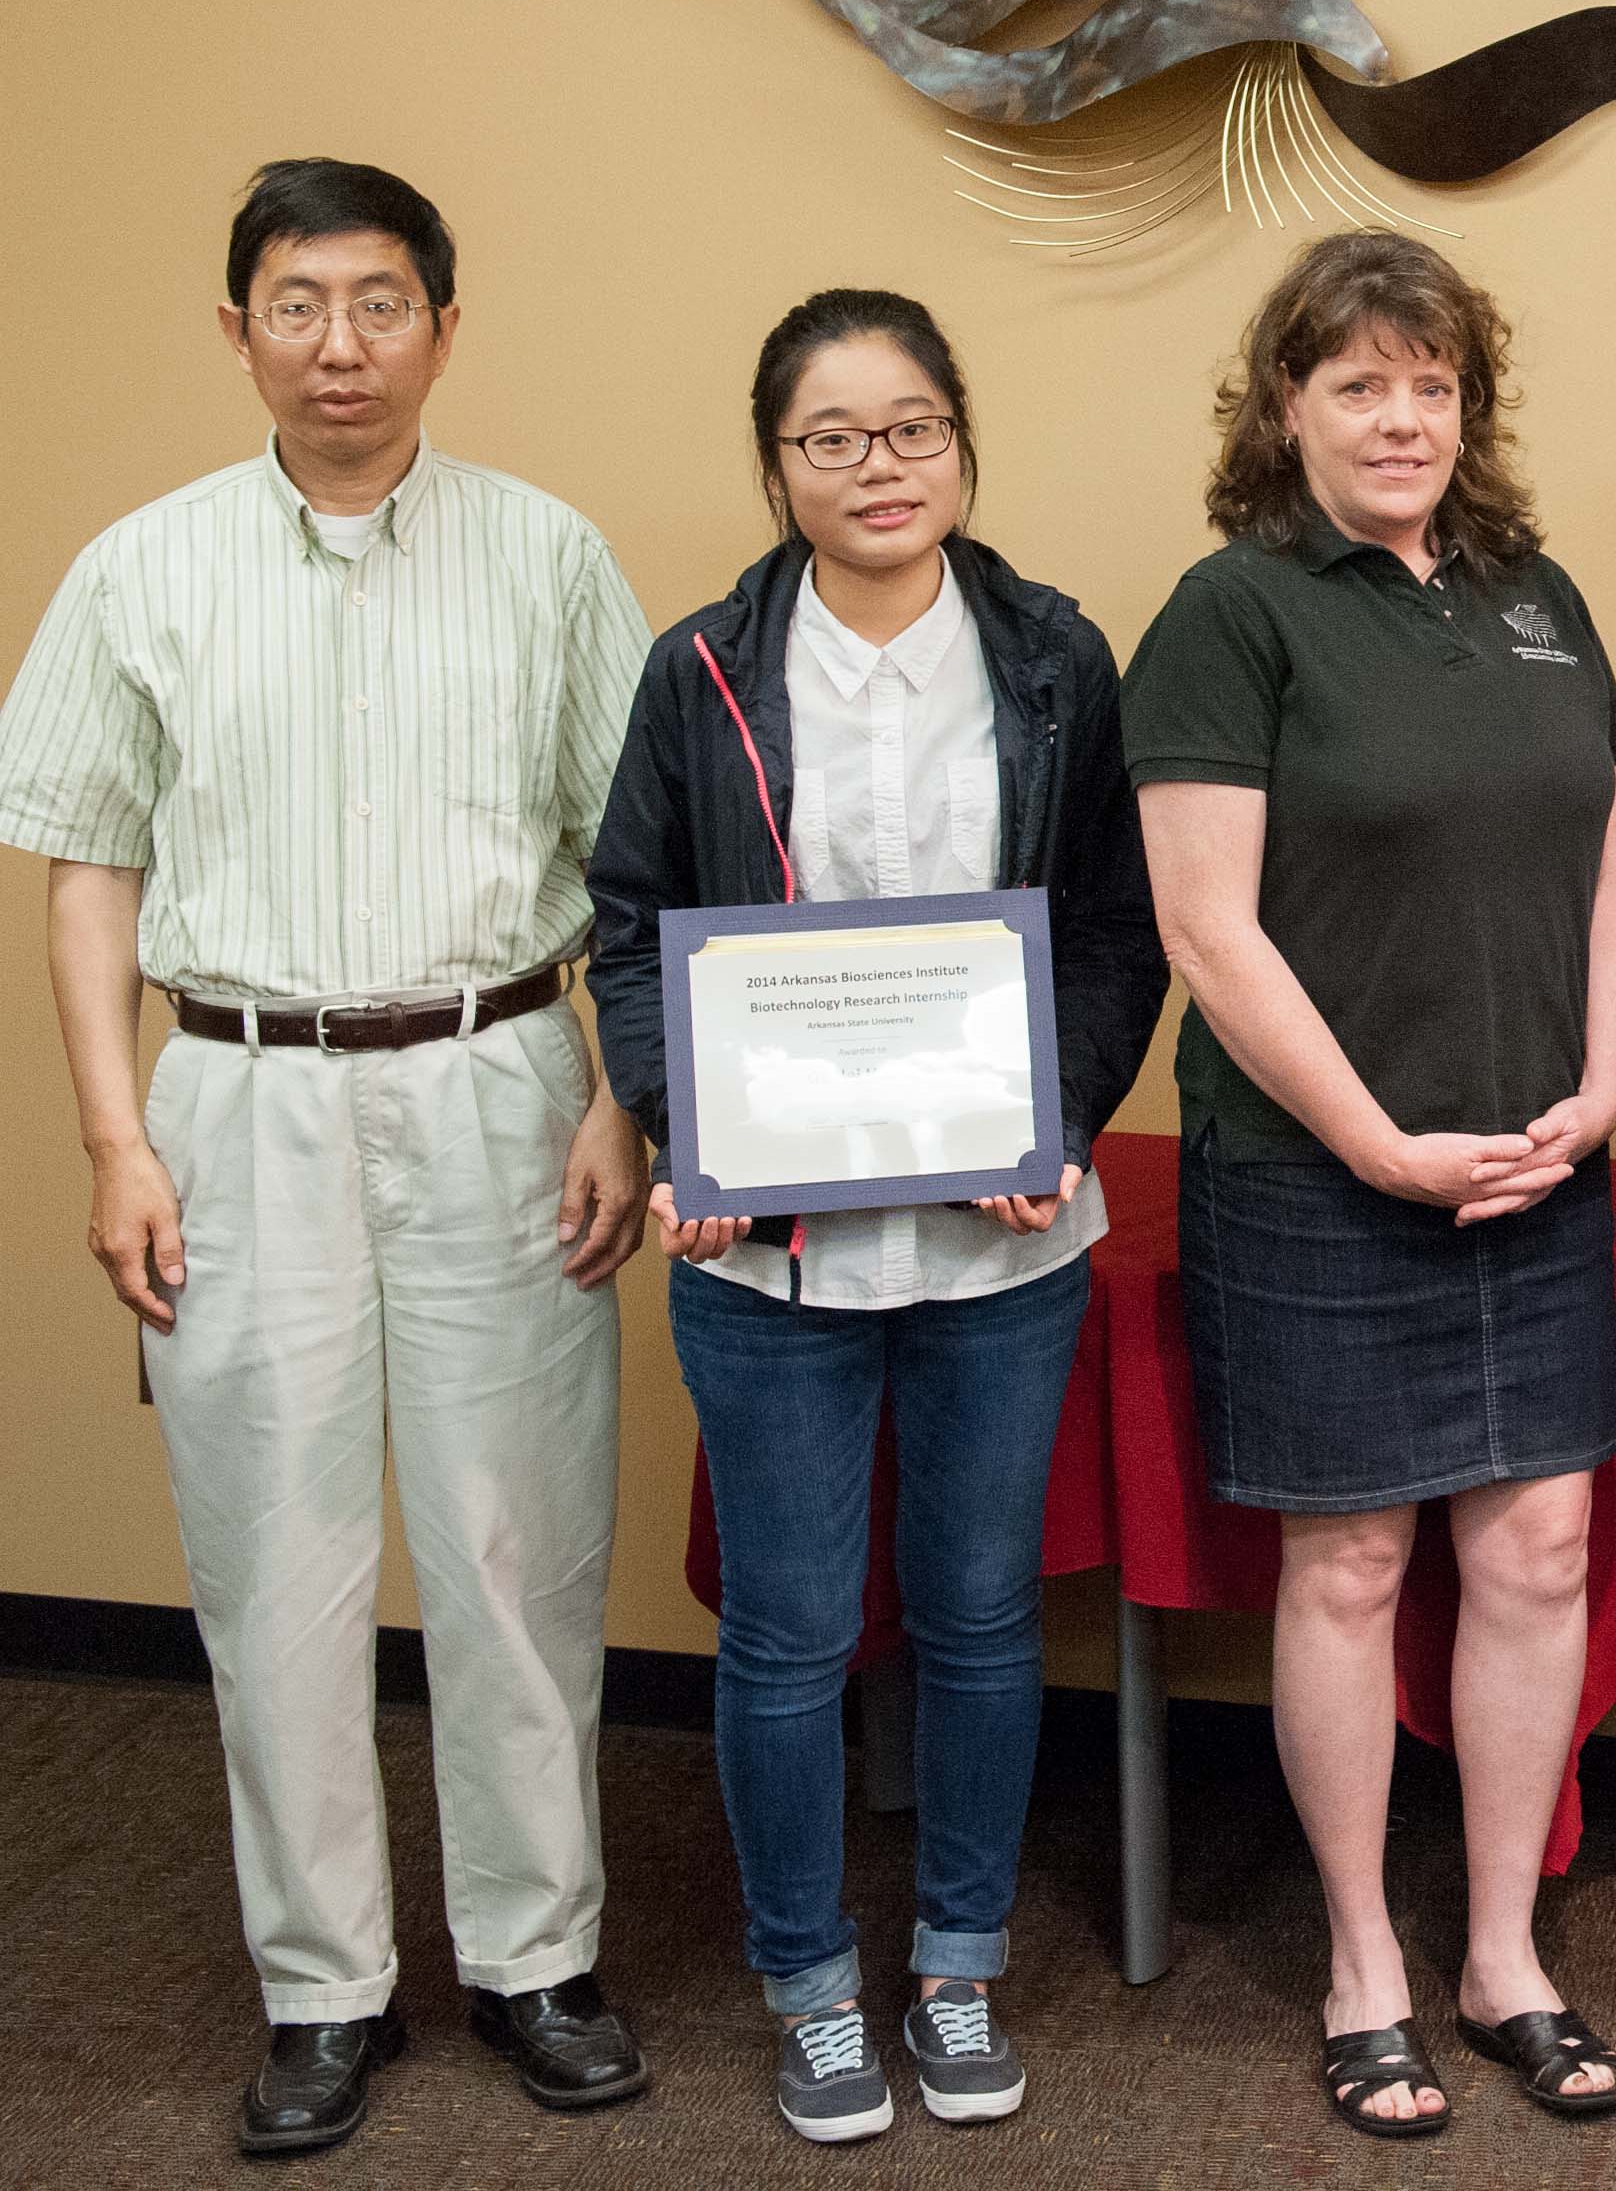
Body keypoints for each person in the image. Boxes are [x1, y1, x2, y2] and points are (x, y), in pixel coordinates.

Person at [0, 159, 655, 2155]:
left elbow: (634, 857)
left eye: (382, 302)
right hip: (237, 1094)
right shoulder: (142, 567)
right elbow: (89, 864)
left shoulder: (548, 557)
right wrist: (115, 1138)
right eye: (299, 303)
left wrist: (624, 1098)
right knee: (270, 1567)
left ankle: (537, 1959)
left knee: (519, 1544)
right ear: (237, 331)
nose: (341, 344)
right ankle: (322, 1989)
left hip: (500, 1083)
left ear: (446, 325)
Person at [583, 290, 1165, 2144]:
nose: (876, 466)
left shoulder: (1058, 654)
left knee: (986, 1615)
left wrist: (1060, 1118)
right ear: (777, 468)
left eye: (910, 427)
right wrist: (690, 1133)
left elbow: (1109, 925)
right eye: (831, 437)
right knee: (787, 1630)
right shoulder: (702, 673)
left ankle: (959, 1962)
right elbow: (630, 923)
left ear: (962, 442)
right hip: (770, 1253)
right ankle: (811, 1988)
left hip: (1005, 1237)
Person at [1124, 230, 1616, 2139]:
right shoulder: (1233, 610)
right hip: (1322, 1179)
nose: (1401, 415)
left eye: (1430, 382)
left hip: (1534, 1167)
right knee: (1347, 1565)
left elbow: (1612, 856)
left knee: (1537, 1552)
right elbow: (1205, 927)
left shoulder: (1536, 591)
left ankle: (1504, 1953)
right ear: (1290, 408)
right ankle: (1365, 1960)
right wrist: (1373, 1143)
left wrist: (1602, 1084)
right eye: (1359, 383)